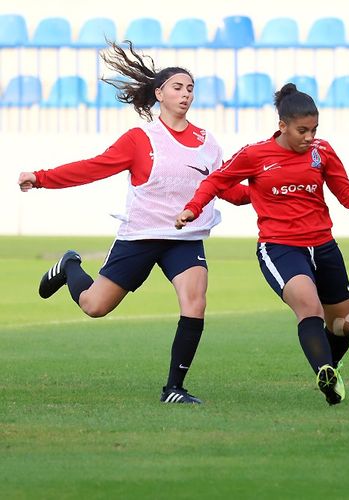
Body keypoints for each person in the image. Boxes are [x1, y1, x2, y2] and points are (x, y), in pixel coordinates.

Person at [17, 40, 251, 404]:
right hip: (141, 235)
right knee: (95, 307)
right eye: (177, 87)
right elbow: (92, 168)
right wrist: (41, 177)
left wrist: (268, 191)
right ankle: (70, 264)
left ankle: (174, 388)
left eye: (191, 88)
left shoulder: (207, 142)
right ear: (159, 93)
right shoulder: (140, 139)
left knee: (195, 303)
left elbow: (223, 188)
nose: (186, 94)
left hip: (185, 237)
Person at [175, 83, 349, 405]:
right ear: (282, 125)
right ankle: (324, 369)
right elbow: (216, 181)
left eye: (314, 129)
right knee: (308, 305)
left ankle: (331, 368)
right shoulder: (255, 154)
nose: (309, 137)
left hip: (323, 246)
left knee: (343, 326)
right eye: (302, 130)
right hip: (280, 247)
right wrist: (193, 208)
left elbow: (347, 193)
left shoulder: (321, 152)